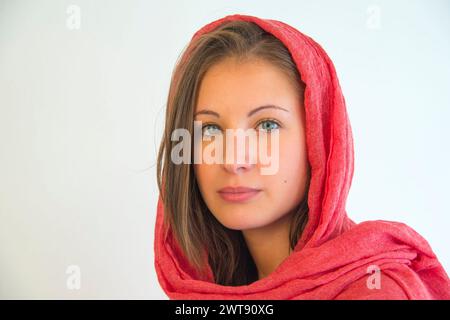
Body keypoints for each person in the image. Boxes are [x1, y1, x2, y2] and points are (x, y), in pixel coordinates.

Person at [154, 14, 450, 299]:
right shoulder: (205, 287)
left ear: (318, 139)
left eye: (267, 125)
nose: (233, 160)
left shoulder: (377, 291)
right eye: (211, 129)